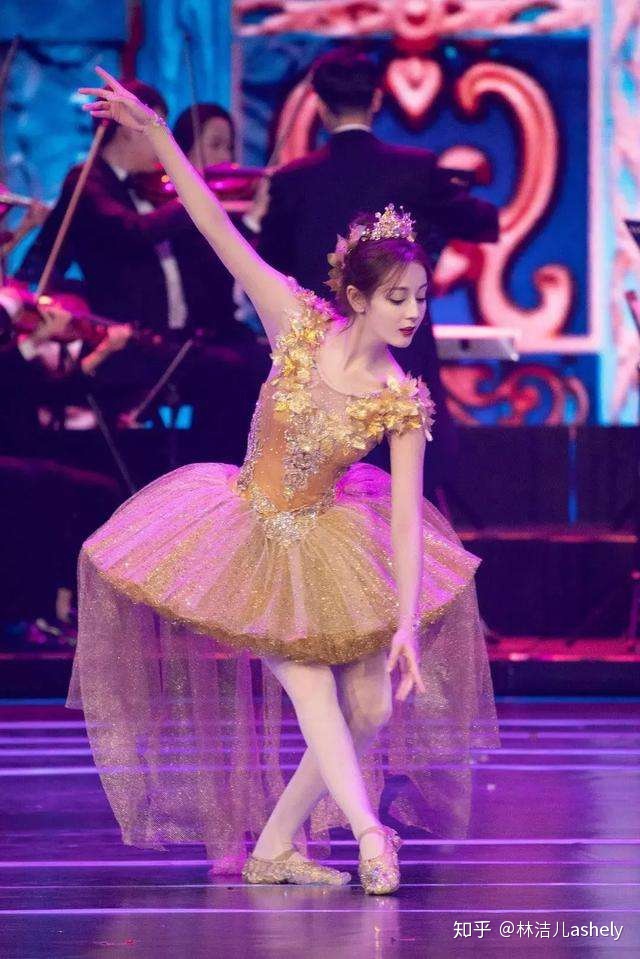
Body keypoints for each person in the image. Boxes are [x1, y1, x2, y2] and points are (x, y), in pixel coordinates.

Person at [69, 67, 500, 896]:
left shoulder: (400, 400)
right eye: (398, 298)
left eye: (420, 298)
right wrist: (156, 135)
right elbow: (213, 225)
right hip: (248, 532)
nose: (413, 312)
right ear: (359, 297)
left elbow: (405, 518)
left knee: (370, 707)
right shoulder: (295, 320)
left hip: (331, 540)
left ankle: (274, 845)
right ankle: (371, 833)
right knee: (311, 689)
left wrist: (406, 624)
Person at [258, 48, 500, 498]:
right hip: (397, 351)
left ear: (321, 107)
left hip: (323, 355)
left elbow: (271, 261)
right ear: (375, 100)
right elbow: (480, 222)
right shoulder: (416, 168)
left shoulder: (292, 179)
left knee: (320, 491)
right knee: (410, 484)